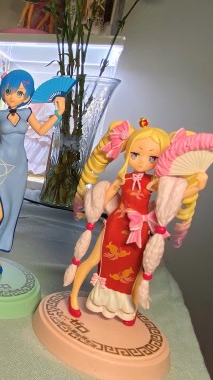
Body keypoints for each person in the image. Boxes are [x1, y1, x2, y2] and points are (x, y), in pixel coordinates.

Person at [64, 120, 208, 325]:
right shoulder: (123, 179)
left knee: (137, 269)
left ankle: (130, 309)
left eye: (152, 157)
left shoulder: (154, 183)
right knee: (94, 258)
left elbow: (176, 196)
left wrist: (197, 186)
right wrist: (93, 209)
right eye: (135, 154)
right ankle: (73, 296)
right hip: (116, 224)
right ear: (128, 152)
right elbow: (104, 198)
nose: (141, 162)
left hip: (139, 230)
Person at [0, 70, 64, 274]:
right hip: (0, 166)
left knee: (11, 214)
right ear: (3, 93)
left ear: (27, 95)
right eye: (9, 91)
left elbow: (42, 131)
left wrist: (59, 113)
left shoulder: (27, 113)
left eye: (19, 93)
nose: (13, 96)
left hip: (20, 168)